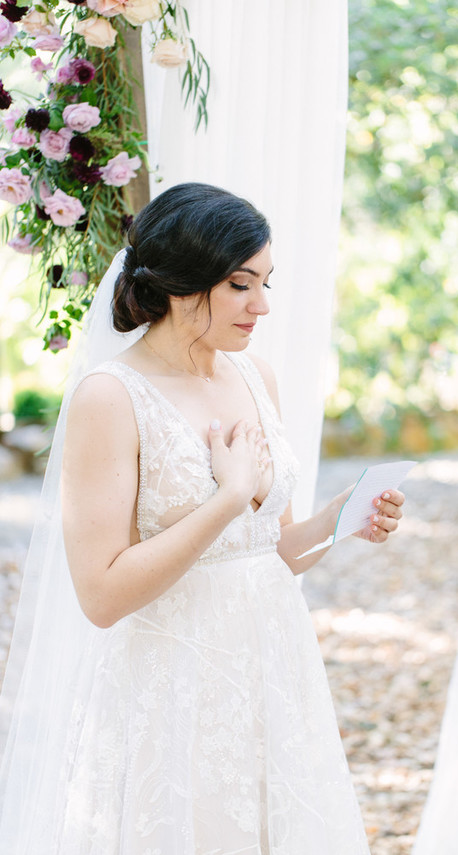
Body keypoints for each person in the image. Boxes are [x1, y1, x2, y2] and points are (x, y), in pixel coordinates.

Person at [0, 183, 404, 854]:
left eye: (266, 282)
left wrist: (343, 518)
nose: (263, 305)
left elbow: (277, 551)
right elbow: (100, 596)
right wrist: (224, 500)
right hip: (170, 687)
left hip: (273, 668)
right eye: (242, 284)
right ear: (185, 283)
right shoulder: (111, 396)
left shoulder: (255, 378)